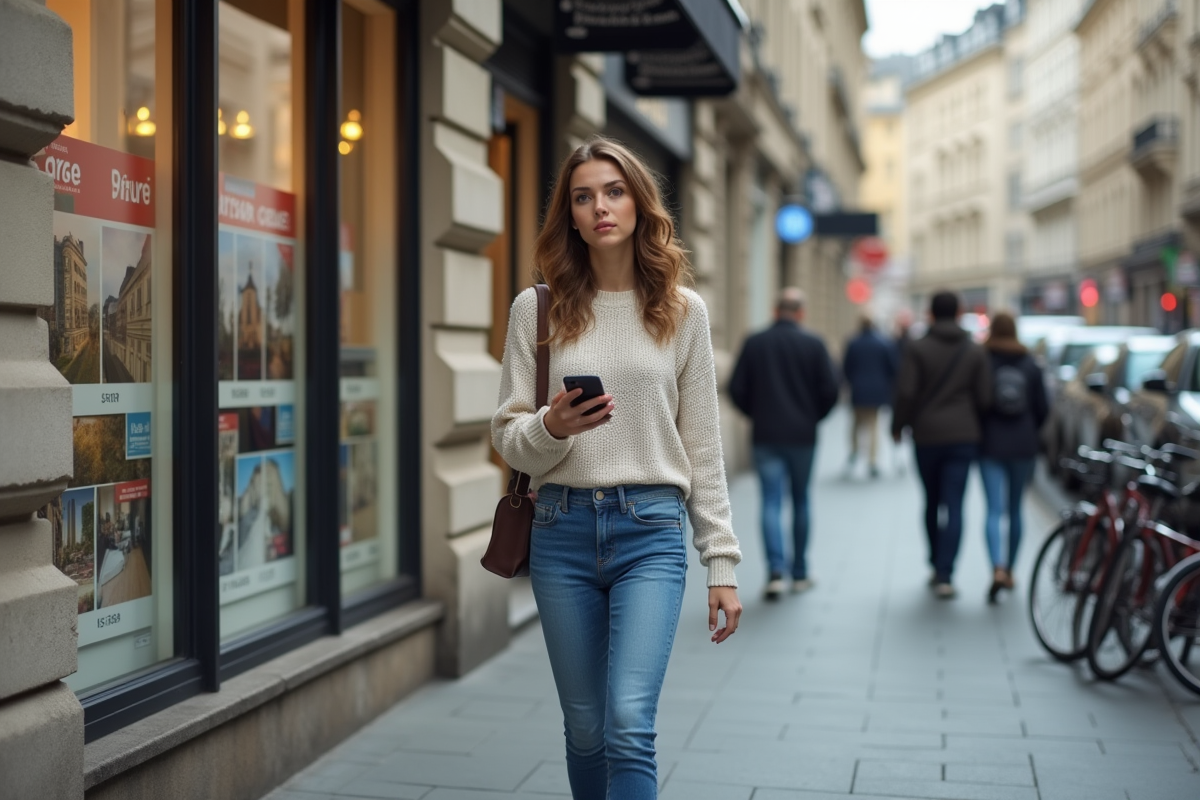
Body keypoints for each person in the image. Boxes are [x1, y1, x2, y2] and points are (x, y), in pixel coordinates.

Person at [492, 136, 743, 799]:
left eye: (613, 191)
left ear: (639, 204)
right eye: (583, 197)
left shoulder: (683, 312)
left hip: (651, 531)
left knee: (629, 722)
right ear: (570, 217)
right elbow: (508, 437)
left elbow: (704, 446)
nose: (600, 206)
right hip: (561, 529)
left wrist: (721, 561)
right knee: (585, 728)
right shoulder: (537, 308)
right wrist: (551, 427)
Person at [729, 288, 839, 599]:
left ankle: (775, 572)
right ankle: (800, 572)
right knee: (801, 500)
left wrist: (757, 413)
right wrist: (812, 416)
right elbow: (831, 390)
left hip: (766, 434)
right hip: (803, 436)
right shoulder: (814, 343)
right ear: (801, 313)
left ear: (775, 311)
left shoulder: (755, 342)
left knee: (771, 502)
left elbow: (737, 388)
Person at [891, 291, 991, 599]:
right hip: (963, 437)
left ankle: (935, 563)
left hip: (927, 435)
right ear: (959, 313)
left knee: (932, 501)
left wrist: (897, 426)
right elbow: (985, 397)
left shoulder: (917, 348)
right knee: (955, 504)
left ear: (930, 314)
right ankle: (947, 573)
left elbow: (906, 392)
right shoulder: (974, 350)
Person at [978, 311, 1048, 602]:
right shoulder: (1030, 363)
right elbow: (1043, 408)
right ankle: (1010, 570)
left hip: (990, 444)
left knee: (993, 510)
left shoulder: (983, 361)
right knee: (1016, 509)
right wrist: (1030, 430)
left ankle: (996, 567)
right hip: (1022, 444)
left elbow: (978, 402)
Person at [842, 315, 897, 478]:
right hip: (877, 390)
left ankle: (854, 451)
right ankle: (872, 460)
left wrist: (852, 381)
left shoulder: (853, 343)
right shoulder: (883, 343)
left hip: (858, 389)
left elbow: (846, 367)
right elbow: (892, 368)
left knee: (856, 424)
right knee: (873, 425)